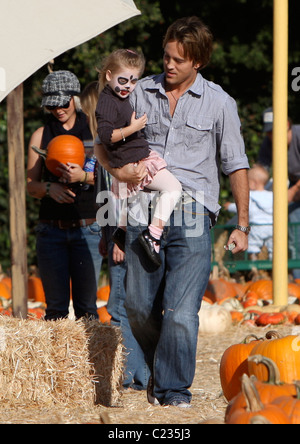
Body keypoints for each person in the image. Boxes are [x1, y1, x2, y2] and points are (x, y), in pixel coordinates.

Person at [95, 16, 250, 408]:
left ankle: (173, 391)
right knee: (137, 307)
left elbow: (236, 164)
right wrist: (117, 171)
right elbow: (105, 142)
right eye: (165, 56)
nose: (168, 65)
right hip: (141, 207)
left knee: (181, 312)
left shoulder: (220, 103)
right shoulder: (137, 91)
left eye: (178, 60)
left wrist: (242, 224)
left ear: (197, 62)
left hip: (195, 212)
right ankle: (158, 374)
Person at [81, 81, 150, 390]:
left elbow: (126, 194)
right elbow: (107, 196)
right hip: (115, 232)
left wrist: (119, 235)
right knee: (127, 304)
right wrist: (106, 234)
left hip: (126, 233)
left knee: (121, 307)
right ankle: (138, 373)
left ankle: (129, 374)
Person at [95, 49, 182, 267]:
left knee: (137, 198)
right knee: (173, 189)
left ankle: (122, 231)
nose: (128, 86)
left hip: (134, 156)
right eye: (123, 80)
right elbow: (105, 136)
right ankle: (153, 234)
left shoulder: (117, 96)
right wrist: (132, 128)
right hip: (133, 160)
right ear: (108, 75)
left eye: (133, 81)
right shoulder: (107, 101)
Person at [27, 70, 102, 320]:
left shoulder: (93, 130)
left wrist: (83, 177)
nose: (58, 109)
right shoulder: (41, 135)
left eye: (63, 102)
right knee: (56, 311)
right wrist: (51, 189)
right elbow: (31, 185)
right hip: (51, 232)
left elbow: (111, 179)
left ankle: (88, 361)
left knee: (87, 310)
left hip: (89, 229)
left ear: (74, 97)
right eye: (52, 104)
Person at [257, 107, 300, 277]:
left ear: (287, 124)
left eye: (274, 131)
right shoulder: (269, 143)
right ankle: (297, 282)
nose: (271, 136)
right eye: (268, 133)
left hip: (295, 189)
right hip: (295, 191)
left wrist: (293, 191)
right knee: (295, 235)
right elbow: (261, 170)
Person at [225, 165, 273, 260]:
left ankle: (253, 263)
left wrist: (229, 206)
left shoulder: (250, 196)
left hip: (256, 227)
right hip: (271, 227)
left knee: (253, 245)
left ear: (254, 183)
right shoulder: (272, 195)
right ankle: (274, 263)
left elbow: (243, 207)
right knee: (272, 246)